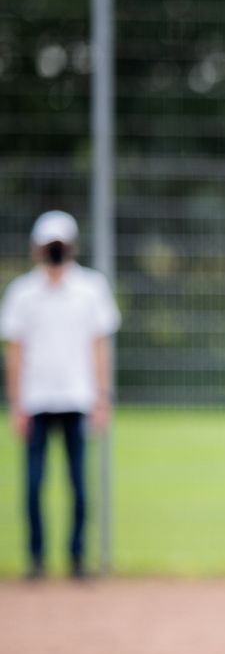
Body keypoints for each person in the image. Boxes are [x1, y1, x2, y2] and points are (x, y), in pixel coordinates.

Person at [2, 211, 120, 581]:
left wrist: (102, 397)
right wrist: (16, 403)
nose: (55, 252)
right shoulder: (22, 292)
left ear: (71, 247)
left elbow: (100, 347)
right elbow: (15, 352)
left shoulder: (91, 289)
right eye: (50, 245)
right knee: (34, 485)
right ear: (38, 248)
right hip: (36, 399)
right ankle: (36, 559)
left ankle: (77, 557)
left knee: (79, 485)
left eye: (60, 245)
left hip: (77, 397)